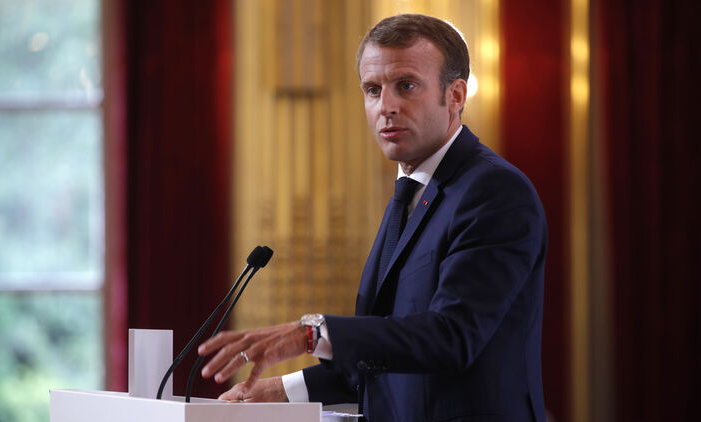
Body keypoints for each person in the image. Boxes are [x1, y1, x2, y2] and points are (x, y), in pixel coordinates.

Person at [198, 13, 547, 422]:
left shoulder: (494, 191)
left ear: (455, 95)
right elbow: (385, 356)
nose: (386, 107)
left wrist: (311, 333)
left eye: (406, 86)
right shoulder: (410, 194)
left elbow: (451, 337)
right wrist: (280, 392)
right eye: (372, 90)